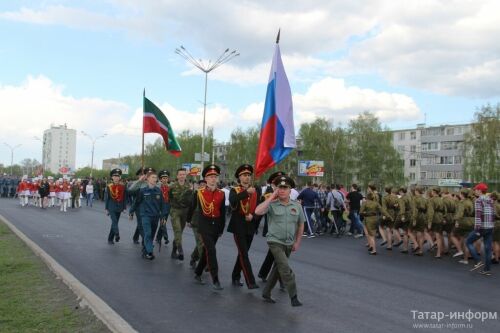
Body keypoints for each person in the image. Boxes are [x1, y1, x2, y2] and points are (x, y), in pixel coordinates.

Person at [255, 175, 305, 307]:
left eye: (285, 188)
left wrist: (297, 242)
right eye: (279, 187)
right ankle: (293, 296)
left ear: (290, 190)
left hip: (288, 243)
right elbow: (258, 211)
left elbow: (301, 225)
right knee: (284, 267)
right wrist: (271, 197)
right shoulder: (272, 204)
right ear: (276, 189)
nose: (282, 190)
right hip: (274, 241)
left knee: (277, 269)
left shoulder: (297, 206)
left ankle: (266, 292)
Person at [188, 165, 226, 290]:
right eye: (210, 177)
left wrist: (221, 229)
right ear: (205, 178)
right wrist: (188, 220)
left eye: (215, 177)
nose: (213, 179)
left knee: (207, 251)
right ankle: (215, 278)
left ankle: (198, 273)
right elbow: (192, 207)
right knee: (212, 251)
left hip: (216, 226)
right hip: (204, 225)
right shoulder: (199, 193)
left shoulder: (221, 193)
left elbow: (222, 212)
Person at [227, 164, 261, 289]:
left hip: (250, 225)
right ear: (239, 178)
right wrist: (246, 192)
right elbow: (233, 201)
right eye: (244, 175)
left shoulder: (256, 190)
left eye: (248, 175)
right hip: (238, 225)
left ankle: (235, 276)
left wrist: (253, 216)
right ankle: (250, 281)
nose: (247, 177)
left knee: (243, 253)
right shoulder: (234, 190)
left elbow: (260, 208)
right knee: (244, 254)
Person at [129, 168, 169, 260]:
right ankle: (150, 251)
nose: (155, 179)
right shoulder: (142, 191)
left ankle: (146, 251)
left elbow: (163, 205)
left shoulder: (158, 191)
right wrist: (131, 212)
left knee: (151, 235)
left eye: (156, 177)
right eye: (153, 177)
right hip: (145, 216)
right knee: (147, 233)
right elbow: (136, 203)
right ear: (147, 179)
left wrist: (163, 217)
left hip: (155, 216)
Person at [466, 183, 494, 275]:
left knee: (468, 242)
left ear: (479, 191)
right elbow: (492, 214)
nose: (474, 191)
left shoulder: (478, 200)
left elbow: (478, 216)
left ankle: (478, 261)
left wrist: (477, 230)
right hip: (490, 226)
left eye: (475, 190)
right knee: (488, 249)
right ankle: (487, 270)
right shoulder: (490, 200)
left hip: (481, 227)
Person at [169, 168, 193, 261]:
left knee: (179, 232)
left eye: (184, 174)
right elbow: (169, 199)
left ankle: (174, 251)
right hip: (175, 210)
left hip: (185, 211)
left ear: (185, 176)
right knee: (177, 230)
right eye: (180, 174)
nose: (182, 176)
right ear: (177, 176)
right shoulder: (172, 186)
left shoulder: (189, 186)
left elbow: (191, 201)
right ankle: (180, 250)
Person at [105, 168, 127, 244]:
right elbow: (107, 198)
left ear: (120, 177)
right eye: (114, 176)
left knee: (115, 223)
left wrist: (124, 207)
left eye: (118, 176)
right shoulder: (109, 186)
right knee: (114, 221)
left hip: (119, 206)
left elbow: (124, 197)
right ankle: (117, 234)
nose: (116, 177)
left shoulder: (123, 186)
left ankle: (110, 239)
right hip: (111, 206)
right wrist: (106, 208)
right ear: (112, 177)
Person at [188, 179, 207, 269]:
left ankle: (194, 257)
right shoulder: (196, 194)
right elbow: (191, 207)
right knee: (200, 242)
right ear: (199, 186)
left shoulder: (209, 194)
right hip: (196, 222)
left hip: (207, 223)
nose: (203, 186)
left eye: (204, 184)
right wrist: (188, 220)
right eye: (201, 184)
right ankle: (206, 263)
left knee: (203, 242)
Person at [156, 170, 171, 246]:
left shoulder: (170, 187)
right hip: (160, 207)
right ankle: (166, 237)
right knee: (163, 222)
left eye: (166, 178)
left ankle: (158, 238)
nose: (165, 180)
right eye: (163, 178)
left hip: (167, 207)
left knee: (163, 223)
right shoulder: (157, 187)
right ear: (160, 179)